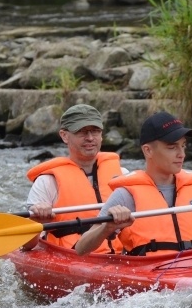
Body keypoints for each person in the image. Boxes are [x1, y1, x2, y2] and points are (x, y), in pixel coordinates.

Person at [75, 111, 192, 256]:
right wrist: (108, 227)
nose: (181, 154)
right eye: (172, 147)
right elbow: (81, 248)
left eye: (183, 146)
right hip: (153, 281)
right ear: (148, 150)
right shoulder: (126, 195)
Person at [23, 103, 125, 253]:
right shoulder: (48, 182)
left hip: (121, 258)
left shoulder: (122, 175)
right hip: (68, 258)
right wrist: (36, 220)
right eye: (82, 132)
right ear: (64, 136)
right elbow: (26, 246)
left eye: (95, 131)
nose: (90, 138)